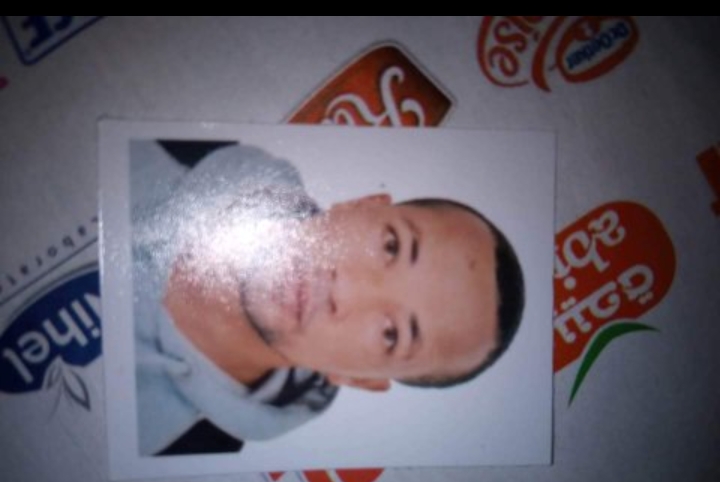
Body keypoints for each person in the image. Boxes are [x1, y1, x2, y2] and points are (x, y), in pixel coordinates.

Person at [130, 139, 525, 456]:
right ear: (360, 205)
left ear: (359, 379)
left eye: (391, 334)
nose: (344, 289)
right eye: (391, 246)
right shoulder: (169, 142)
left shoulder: (179, 449)